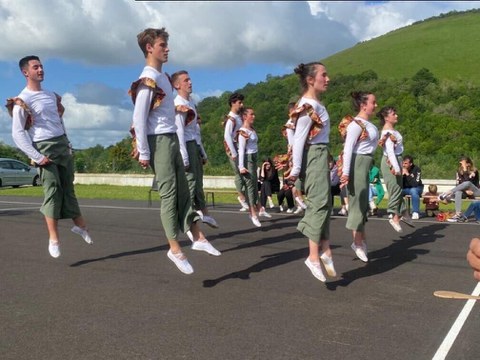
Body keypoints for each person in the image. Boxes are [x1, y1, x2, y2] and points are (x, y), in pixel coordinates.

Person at [130, 28, 220, 275]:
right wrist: (144, 151)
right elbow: (139, 117)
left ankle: (198, 236)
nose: (167, 49)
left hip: (169, 139)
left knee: (183, 191)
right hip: (158, 141)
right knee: (169, 195)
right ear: (150, 48)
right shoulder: (148, 78)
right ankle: (174, 248)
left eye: (166, 45)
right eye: (162, 45)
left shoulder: (163, 79)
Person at [7, 55, 93, 259]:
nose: (40, 70)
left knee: (68, 187)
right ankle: (54, 239)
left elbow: (58, 122)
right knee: (53, 190)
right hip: (43, 147)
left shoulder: (52, 96)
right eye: (35, 67)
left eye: (41, 66)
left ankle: (80, 227)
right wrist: (36, 156)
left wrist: (68, 142)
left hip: (62, 144)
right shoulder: (22, 100)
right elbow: (18, 133)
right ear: (25, 72)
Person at [287, 61, 336, 282]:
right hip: (314, 155)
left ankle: (325, 249)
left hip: (321, 154)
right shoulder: (307, 106)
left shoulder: (317, 104)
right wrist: (296, 169)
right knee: (317, 202)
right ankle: (313, 256)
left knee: (325, 202)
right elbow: (298, 139)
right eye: (323, 75)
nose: (328, 79)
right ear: (310, 80)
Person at [172, 70, 218, 229]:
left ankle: (205, 213)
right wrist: (184, 156)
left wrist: (202, 151)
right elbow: (179, 132)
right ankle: (188, 221)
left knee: (198, 183)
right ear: (177, 85)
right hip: (186, 145)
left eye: (190, 79)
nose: (190, 82)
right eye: (186, 80)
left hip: (194, 145)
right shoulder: (179, 105)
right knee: (190, 183)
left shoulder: (191, 102)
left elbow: (195, 131)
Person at [339, 91, 379, 263]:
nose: (375, 105)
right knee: (357, 202)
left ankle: (362, 240)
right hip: (357, 163)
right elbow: (348, 149)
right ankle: (357, 242)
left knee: (362, 202)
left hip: (365, 163)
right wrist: (346, 172)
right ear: (364, 105)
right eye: (373, 102)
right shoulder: (356, 125)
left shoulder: (369, 124)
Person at [377, 106, 413, 233]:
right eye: (393, 114)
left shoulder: (392, 131)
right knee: (395, 190)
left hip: (396, 160)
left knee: (397, 188)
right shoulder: (387, 133)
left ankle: (403, 212)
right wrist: (397, 168)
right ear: (386, 117)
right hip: (390, 162)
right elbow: (390, 152)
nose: (396, 115)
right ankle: (393, 215)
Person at [237, 107, 271, 227]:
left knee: (255, 185)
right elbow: (241, 150)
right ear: (245, 116)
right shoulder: (243, 132)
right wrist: (241, 166)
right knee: (250, 187)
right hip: (248, 159)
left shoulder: (252, 129)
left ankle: (260, 208)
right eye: (251, 114)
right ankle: (252, 213)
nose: (254, 116)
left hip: (254, 157)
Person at [223, 92, 249, 211]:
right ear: (233, 103)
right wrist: (233, 153)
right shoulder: (231, 119)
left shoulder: (238, 117)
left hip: (240, 147)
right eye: (239, 102)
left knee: (244, 172)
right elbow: (227, 136)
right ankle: (242, 197)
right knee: (239, 173)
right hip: (234, 148)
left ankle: (246, 197)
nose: (241, 104)